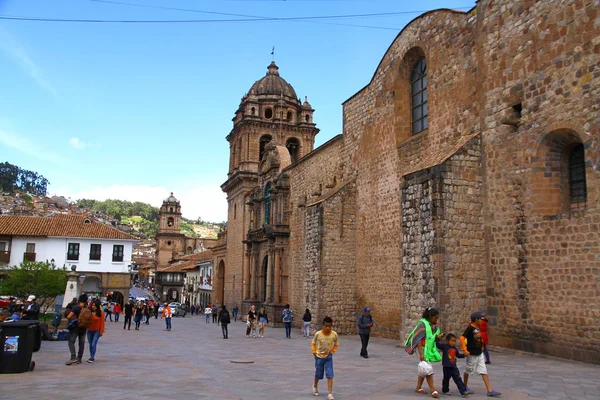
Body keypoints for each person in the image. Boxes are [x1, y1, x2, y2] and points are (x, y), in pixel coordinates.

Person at [404, 307, 444, 398]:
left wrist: (438, 337)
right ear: (430, 316)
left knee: (423, 369)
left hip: (427, 348)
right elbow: (418, 339)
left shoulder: (432, 325)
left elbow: (431, 337)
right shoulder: (422, 325)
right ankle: (433, 390)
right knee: (428, 369)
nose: (436, 319)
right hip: (421, 348)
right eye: (435, 317)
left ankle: (418, 388)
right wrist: (421, 354)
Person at [460, 312, 501, 397]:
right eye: (480, 319)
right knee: (468, 370)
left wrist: (482, 346)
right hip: (472, 354)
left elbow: (479, 338)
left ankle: (489, 390)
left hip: (479, 353)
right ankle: (464, 386)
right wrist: (464, 349)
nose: (482, 321)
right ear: (476, 320)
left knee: (484, 370)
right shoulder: (470, 328)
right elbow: (462, 338)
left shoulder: (477, 328)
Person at [311, 316, 339, 400]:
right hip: (319, 356)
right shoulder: (318, 334)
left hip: (328, 357)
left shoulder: (334, 334)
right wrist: (314, 351)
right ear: (323, 326)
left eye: (329, 326)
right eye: (326, 326)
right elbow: (313, 342)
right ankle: (315, 386)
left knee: (330, 374)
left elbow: (336, 344)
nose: (328, 328)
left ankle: (330, 393)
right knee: (318, 373)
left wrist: (332, 352)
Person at [65, 294, 89, 365]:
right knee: (81, 343)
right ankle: (79, 358)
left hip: (75, 327)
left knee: (71, 342)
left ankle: (73, 357)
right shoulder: (87, 308)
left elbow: (69, 316)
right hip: (84, 328)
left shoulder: (76, 308)